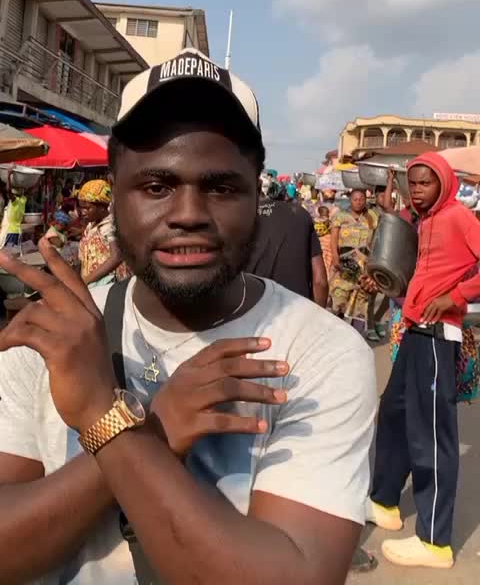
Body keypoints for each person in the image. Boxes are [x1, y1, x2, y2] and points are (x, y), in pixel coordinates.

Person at [0, 47, 376, 585]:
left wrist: (108, 420)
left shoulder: (320, 353)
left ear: (256, 193)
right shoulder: (56, 336)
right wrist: (152, 432)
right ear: (116, 194)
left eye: (220, 187)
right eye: (156, 187)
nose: (188, 215)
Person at [367, 152, 480, 570]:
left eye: (424, 182)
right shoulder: (424, 221)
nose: (416, 190)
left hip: (437, 335)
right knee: (394, 414)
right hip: (414, 330)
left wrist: (456, 296)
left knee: (432, 434)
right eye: (412, 182)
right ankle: (384, 502)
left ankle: (435, 542)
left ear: (444, 183)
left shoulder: (457, 217)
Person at [247, 184, 328, 305]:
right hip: (296, 306)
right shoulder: (301, 214)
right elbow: (320, 281)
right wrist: (317, 313)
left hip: (253, 305)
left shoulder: (247, 216)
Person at [330, 190, 379, 340]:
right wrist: (335, 257)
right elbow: (333, 239)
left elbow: (376, 239)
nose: (358, 202)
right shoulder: (340, 217)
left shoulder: (372, 216)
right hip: (343, 263)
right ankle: (334, 335)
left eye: (361, 199)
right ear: (350, 200)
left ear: (365, 200)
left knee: (361, 301)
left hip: (363, 265)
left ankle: (356, 338)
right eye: (355, 199)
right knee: (339, 298)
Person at [78, 179, 124, 287]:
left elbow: (117, 256)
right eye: (81, 207)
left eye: (87, 208)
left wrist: (85, 281)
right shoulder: (91, 225)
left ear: (102, 208)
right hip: (93, 284)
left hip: (107, 285)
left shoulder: (110, 226)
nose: (83, 212)